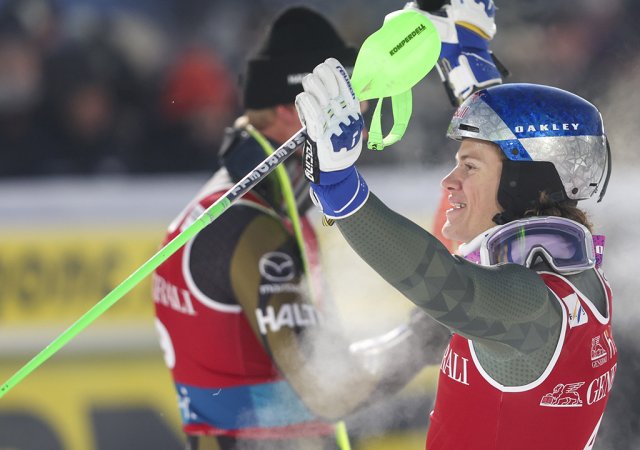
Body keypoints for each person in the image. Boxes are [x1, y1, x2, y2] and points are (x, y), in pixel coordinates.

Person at [151, 7, 451, 450]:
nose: (363, 109)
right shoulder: (250, 226)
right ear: (294, 110)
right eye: (347, 93)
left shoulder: (238, 206)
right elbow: (329, 389)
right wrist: (425, 336)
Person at [295, 61, 615, 450]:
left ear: (522, 182)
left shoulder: (529, 305)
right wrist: (469, 69)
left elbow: (440, 277)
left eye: (469, 166)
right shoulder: (573, 284)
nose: (449, 181)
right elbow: (458, 264)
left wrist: (340, 188)